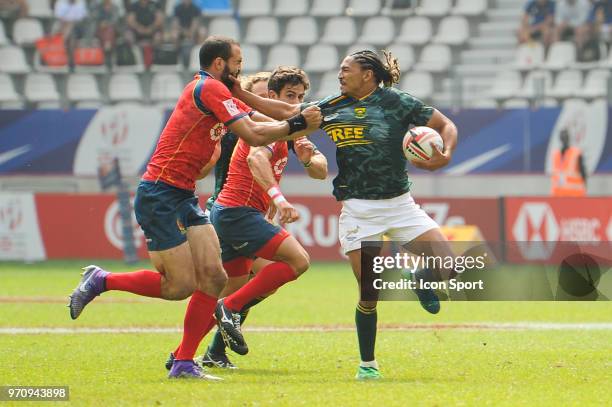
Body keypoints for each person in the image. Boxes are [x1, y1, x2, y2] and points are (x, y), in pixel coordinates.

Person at [68, 36, 322, 380]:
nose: (240, 69)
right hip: (160, 193)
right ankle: (102, 280)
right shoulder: (209, 89)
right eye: (237, 62)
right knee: (179, 286)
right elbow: (254, 134)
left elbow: (267, 112)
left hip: (184, 194)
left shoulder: (221, 90)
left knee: (215, 278)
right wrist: (296, 124)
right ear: (219, 64)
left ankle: (184, 362)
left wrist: (305, 114)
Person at [228, 49, 458, 380]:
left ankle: (419, 277)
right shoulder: (333, 105)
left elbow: (444, 124)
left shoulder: (396, 102)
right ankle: (368, 364)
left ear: (367, 75)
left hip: (400, 204)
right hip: (359, 210)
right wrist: (241, 94)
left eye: (345, 69)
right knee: (370, 291)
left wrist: (445, 155)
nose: (340, 74)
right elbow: (289, 110)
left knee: (449, 267)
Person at [201, 67, 327, 369]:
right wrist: (278, 199)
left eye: (298, 98)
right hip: (228, 210)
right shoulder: (235, 124)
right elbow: (251, 158)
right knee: (276, 271)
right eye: (258, 99)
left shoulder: (283, 127)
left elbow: (320, 168)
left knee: (242, 288)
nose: (265, 108)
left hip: (243, 213)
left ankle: (201, 352)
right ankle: (218, 328)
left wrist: (310, 158)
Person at [551, 129, 587, 196]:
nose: (564, 139)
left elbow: (583, 173)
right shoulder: (555, 155)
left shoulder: (576, 154)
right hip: (559, 195)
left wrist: (584, 188)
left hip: (574, 195)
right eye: (563, 137)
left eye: (566, 137)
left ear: (569, 138)